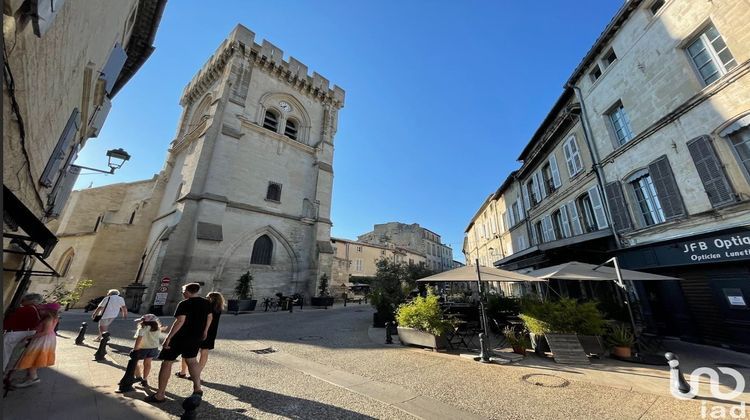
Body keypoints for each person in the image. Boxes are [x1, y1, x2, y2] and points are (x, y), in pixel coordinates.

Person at [145, 283, 212, 403]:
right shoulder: (206, 302)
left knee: (167, 362)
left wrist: (169, 337)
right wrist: (205, 331)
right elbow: (210, 317)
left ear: (187, 291)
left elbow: (180, 321)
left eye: (183, 291)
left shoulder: (184, 303)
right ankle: (197, 387)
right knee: (191, 360)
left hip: (180, 336)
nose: (183, 293)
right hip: (195, 336)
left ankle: (160, 394)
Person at [13, 302, 61, 387]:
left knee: (33, 358)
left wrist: (29, 337)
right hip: (47, 339)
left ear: (48, 311)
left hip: (43, 340)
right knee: (34, 358)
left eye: (43, 309)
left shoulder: (48, 319)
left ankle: (33, 378)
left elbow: (45, 332)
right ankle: (29, 377)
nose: (41, 310)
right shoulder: (53, 317)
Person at [177, 292, 224, 379]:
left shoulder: (206, 306)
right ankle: (196, 373)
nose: (205, 298)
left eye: (207, 297)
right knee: (204, 352)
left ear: (211, 298)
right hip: (212, 332)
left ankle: (183, 371)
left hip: (199, 330)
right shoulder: (219, 308)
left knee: (188, 351)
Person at [3, 293, 43, 372]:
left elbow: (11, 321)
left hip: (17, 332)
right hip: (27, 332)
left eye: (24, 300)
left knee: (5, 351)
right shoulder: (36, 309)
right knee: (13, 353)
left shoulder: (26, 309)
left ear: (30, 301)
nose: (22, 302)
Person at [131, 314, 162, 387]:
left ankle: (138, 376)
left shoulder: (142, 329)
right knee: (148, 364)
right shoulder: (157, 329)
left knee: (134, 361)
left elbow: (139, 339)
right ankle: (145, 379)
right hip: (153, 348)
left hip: (143, 348)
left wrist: (135, 349)